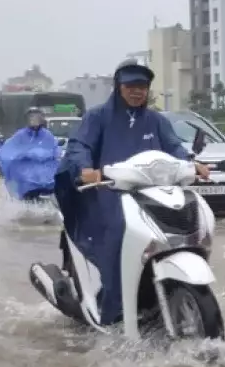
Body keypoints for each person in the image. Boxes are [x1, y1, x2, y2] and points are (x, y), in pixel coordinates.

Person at [54, 59, 211, 326]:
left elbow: (174, 147)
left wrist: (190, 163)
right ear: (118, 86)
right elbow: (79, 146)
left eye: (142, 86)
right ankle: (112, 311)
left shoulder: (156, 120)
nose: (137, 91)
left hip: (151, 195)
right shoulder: (97, 117)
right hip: (108, 194)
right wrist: (85, 168)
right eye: (131, 85)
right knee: (119, 234)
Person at [0, 107, 61, 201]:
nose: (34, 120)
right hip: (26, 176)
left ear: (41, 118)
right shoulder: (20, 135)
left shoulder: (47, 135)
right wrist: (24, 154)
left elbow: (55, 150)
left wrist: (45, 154)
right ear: (27, 119)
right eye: (32, 117)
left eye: (37, 117)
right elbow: (8, 150)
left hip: (46, 176)